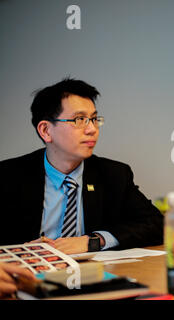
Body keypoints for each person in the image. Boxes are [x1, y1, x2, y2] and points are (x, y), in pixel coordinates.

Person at [0, 78, 164, 254]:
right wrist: (23, 251)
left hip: (92, 275)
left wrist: (93, 241)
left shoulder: (113, 175)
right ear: (46, 131)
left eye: (94, 119)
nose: (92, 129)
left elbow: (156, 225)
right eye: (79, 119)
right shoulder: (8, 176)